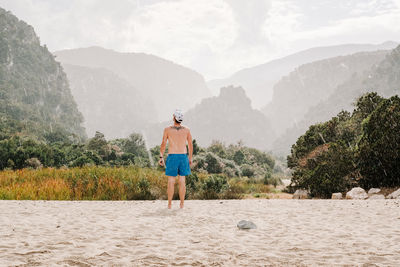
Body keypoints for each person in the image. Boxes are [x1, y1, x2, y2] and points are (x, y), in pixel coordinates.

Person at [159, 109, 193, 209]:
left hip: (172, 156)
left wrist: (161, 156)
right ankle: (181, 204)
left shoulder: (167, 129)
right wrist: (190, 158)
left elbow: (163, 144)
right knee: (182, 181)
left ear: (174, 118)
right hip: (183, 156)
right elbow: (190, 145)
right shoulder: (187, 130)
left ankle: (169, 204)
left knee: (171, 181)